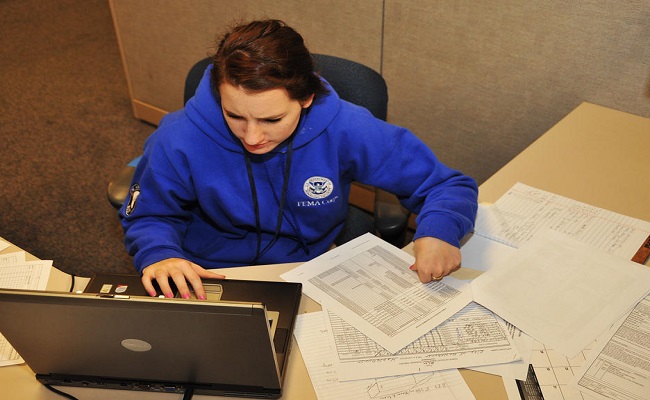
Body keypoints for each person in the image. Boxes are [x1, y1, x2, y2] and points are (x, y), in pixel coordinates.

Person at [120, 19, 478, 300]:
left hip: (310, 266)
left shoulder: (345, 126)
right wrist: (159, 253)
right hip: (209, 272)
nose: (252, 137)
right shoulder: (179, 136)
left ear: (306, 98)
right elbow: (150, 213)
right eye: (235, 116)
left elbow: (446, 185)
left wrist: (440, 232)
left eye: (271, 120)